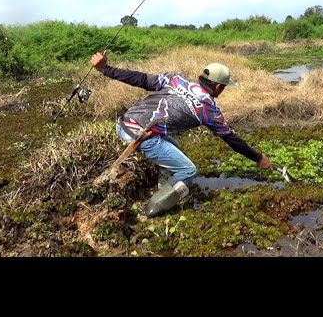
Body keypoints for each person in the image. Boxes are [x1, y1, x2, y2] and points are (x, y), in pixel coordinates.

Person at [90, 51, 272, 218]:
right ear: (218, 86)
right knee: (188, 170)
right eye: (223, 87)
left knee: (174, 146)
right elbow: (232, 139)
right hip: (140, 135)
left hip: (123, 124)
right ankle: (150, 210)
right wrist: (258, 158)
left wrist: (106, 69)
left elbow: (142, 79)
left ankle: (163, 186)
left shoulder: (176, 80)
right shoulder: (209, 109)